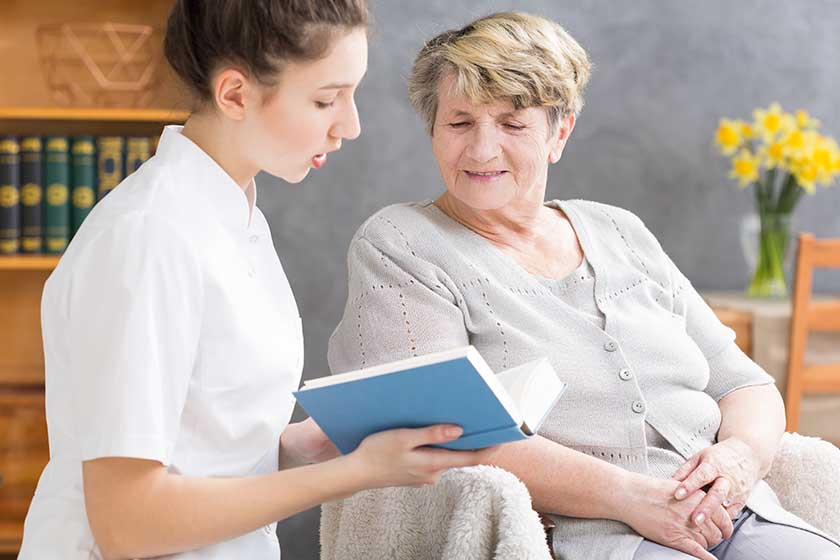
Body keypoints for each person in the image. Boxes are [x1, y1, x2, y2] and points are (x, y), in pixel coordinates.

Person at [328, 11, 840, 560]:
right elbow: (445, 429)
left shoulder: (618, 229)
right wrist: (632, 498)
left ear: (560, 131)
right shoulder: (401, 244)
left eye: (512, 124)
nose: (481, 150)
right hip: (592, 536)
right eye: (459, 123)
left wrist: (740, 457)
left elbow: (745, 384)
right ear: (433, 128)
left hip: (734, 516)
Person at [18, 1, 489, 558]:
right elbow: (126, 522)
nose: (351, 125)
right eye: (325, 99)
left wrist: (310, 445)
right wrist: (355, 473)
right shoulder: (149, 239)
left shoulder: (235, 215)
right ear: (235, 94)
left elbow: (200, 452)